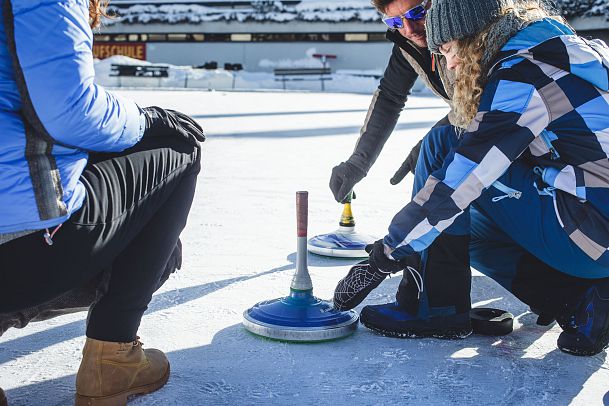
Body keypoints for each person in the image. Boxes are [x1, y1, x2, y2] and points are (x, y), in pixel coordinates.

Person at [335, 0, 609, 357]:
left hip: (594, 235)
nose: (448, 64)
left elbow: (462, 180)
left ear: (472, 35)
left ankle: (436, 308)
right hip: (594, 220)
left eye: (447, 49)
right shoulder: (559, 46)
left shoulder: (522, 74)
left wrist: (383, 257)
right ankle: (579, 299)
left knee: (447, 151)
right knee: (460, 227)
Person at [0, 0, 204, 404]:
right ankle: (112, 359)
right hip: (20, 251)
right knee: (178, 146)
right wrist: (149, 119)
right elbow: (70, 111)